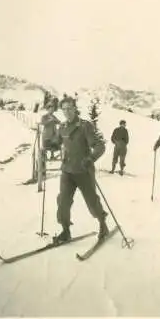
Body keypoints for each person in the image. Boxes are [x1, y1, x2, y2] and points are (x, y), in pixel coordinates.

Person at [52, 97, 109, 243]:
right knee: (63, 201)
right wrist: (48, 145)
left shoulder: (85, 126)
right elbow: (57, 143)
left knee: (92, 202)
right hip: (67, 171)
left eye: (70, 108)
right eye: (64, 109)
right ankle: (65, 230)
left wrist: (90, 159)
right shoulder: (62, 127)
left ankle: (103, 224)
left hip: (83, 171)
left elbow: (99, 146)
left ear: (75, 108)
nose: (67, 112)